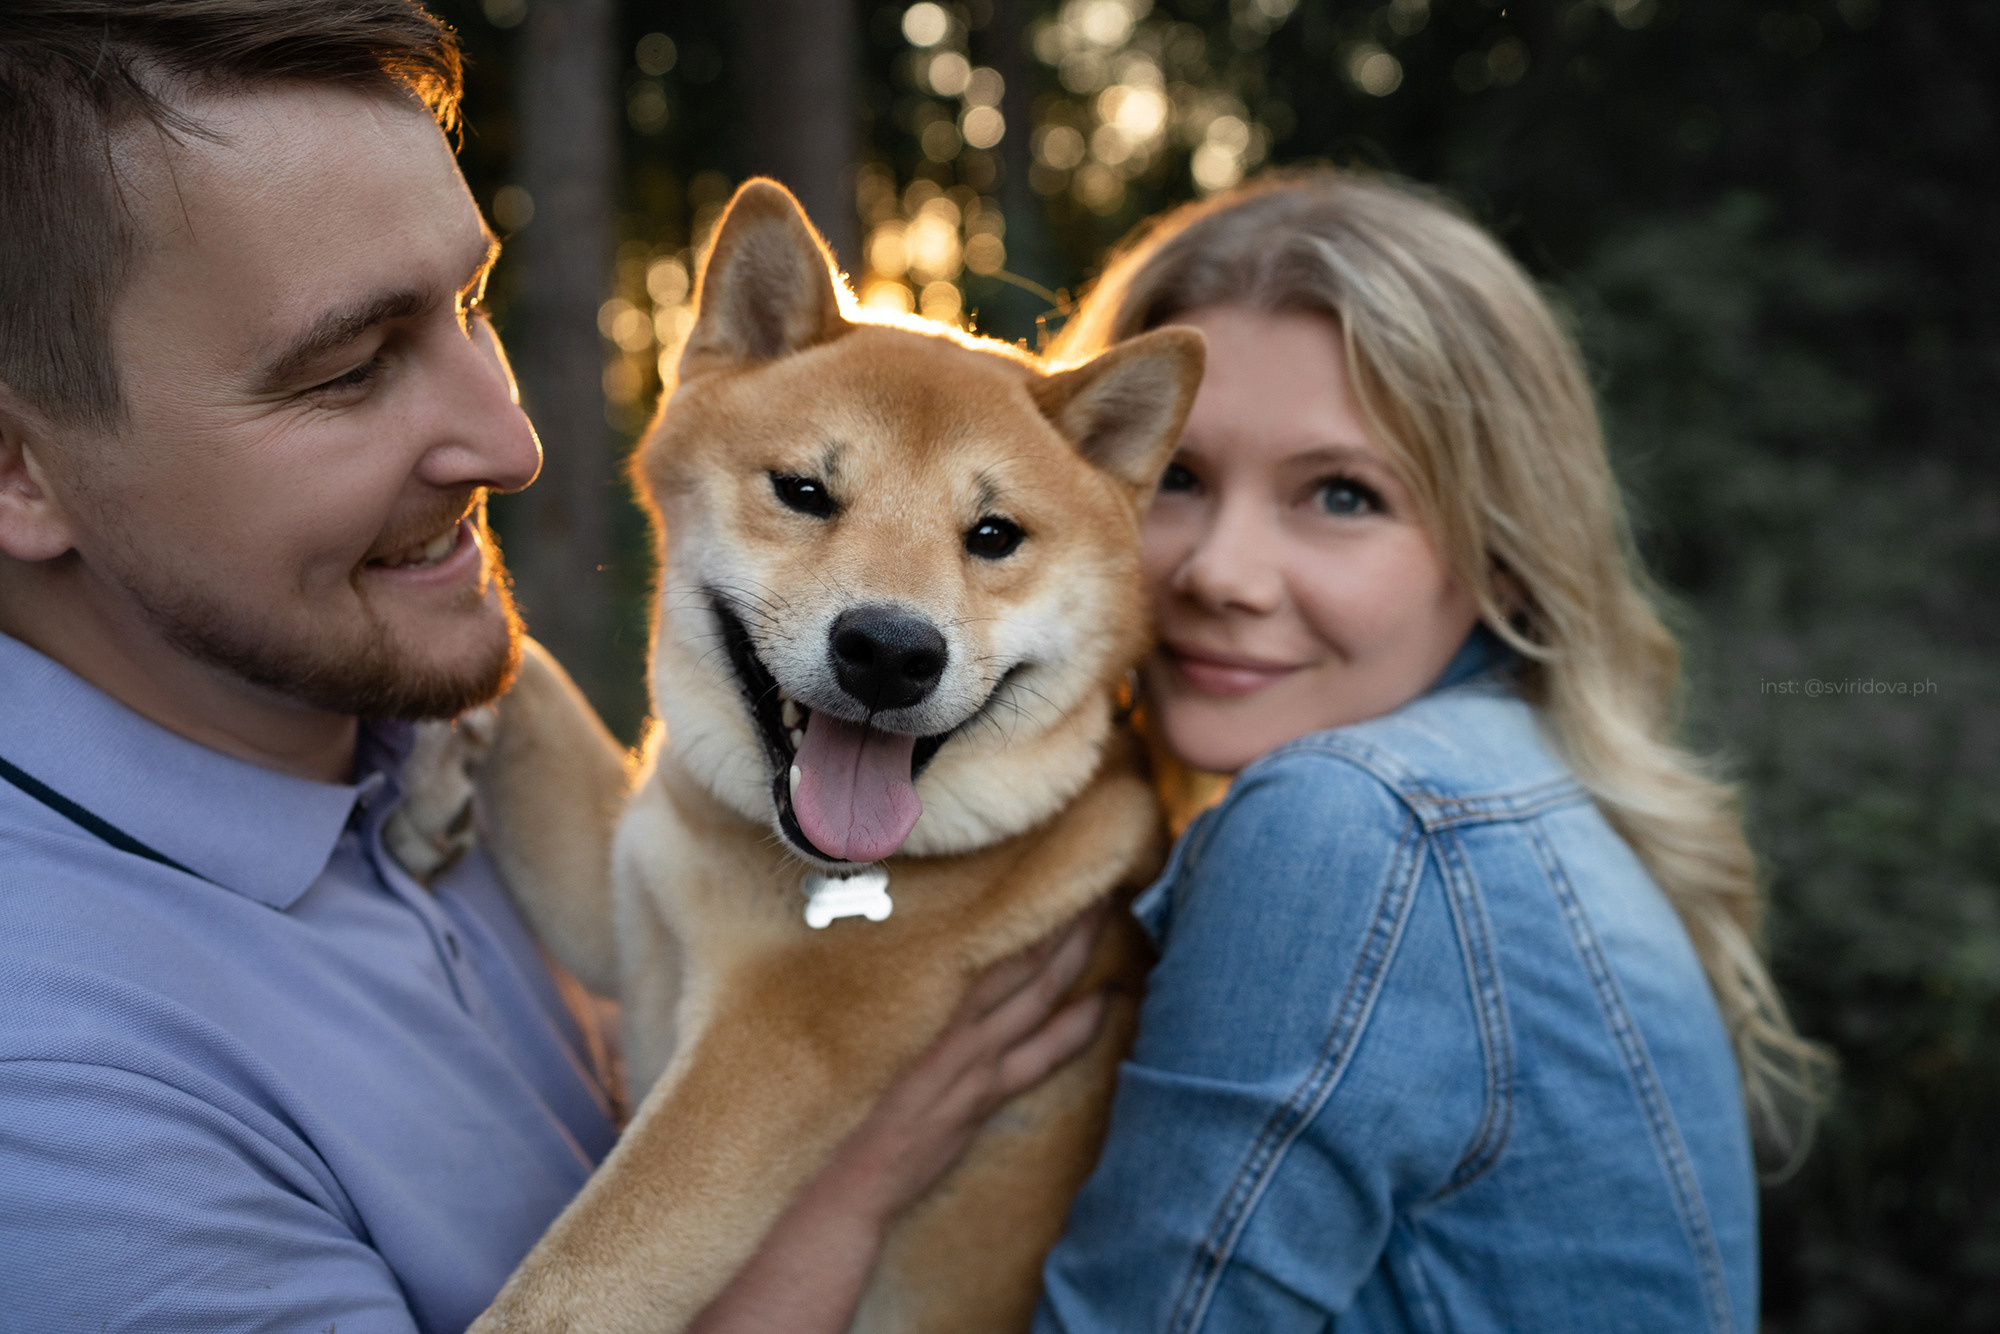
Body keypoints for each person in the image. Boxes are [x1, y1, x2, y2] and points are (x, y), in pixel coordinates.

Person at [0, 4, 1102, 1331]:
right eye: (348, 371)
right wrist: (851, 1185)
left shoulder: (436, 719)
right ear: (20, 469)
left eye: (472, 302)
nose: (510, 441)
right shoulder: (58, 1090)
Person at [1027, 173, 1830, 1333]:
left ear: (1499, 552)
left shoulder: (1358, 821)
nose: (1219, 572)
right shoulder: (1509, 785)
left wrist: (843, 1201)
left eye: (1340, 495)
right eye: (1175, 477)